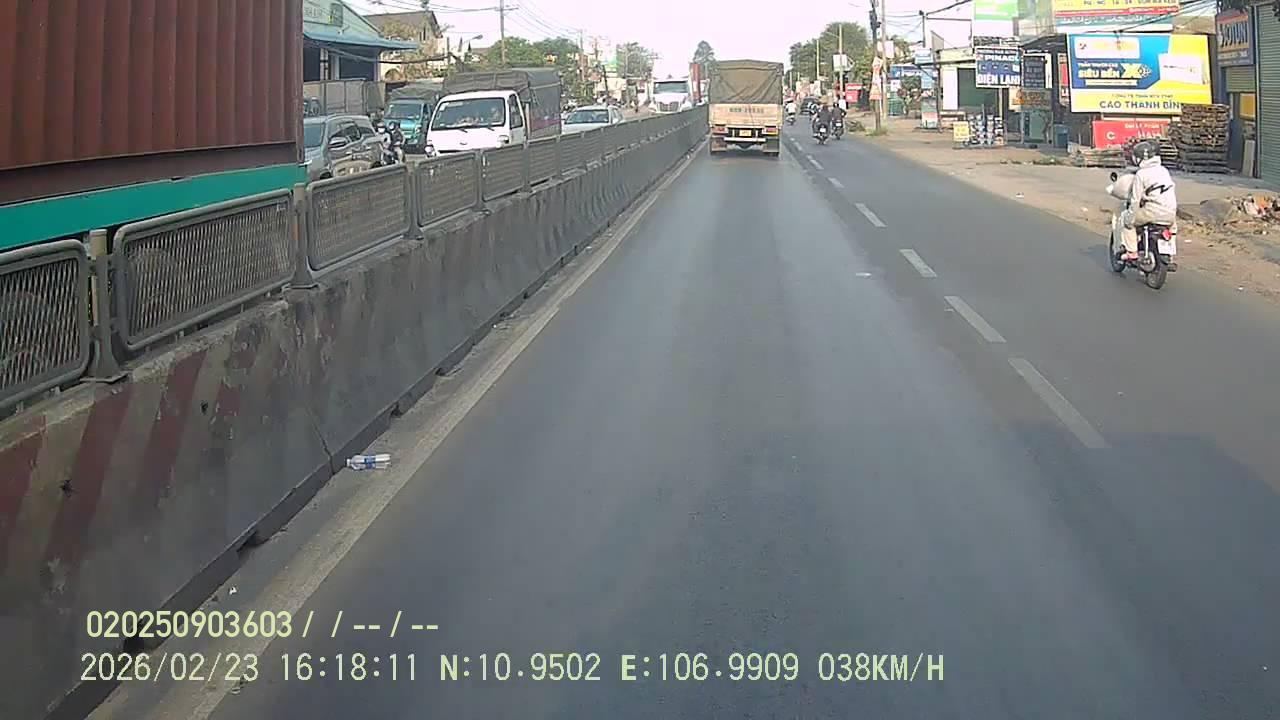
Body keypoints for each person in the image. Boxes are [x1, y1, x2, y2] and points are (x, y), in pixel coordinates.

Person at [1119, 139, 1177, 262]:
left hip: (1152, 212)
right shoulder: (1164, 170)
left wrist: (1129, 217)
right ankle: (1170, 254)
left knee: (1127, 220)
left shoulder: (1141, 174)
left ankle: (1132, 252)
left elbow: (1135, 200)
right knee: (1171, 231)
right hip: (1171, 213)